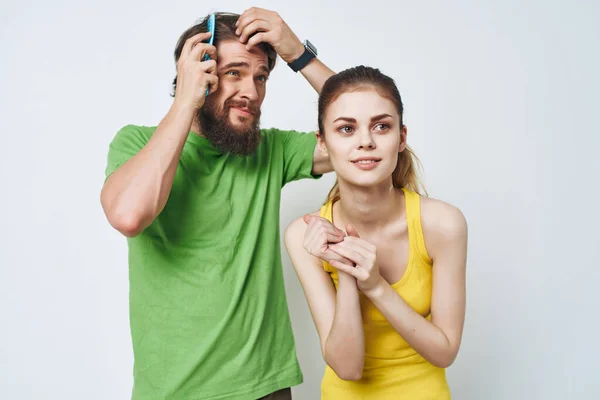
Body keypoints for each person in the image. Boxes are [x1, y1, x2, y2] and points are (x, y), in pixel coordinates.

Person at [100, 8, 335, 400]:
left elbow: (374, 134)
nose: (252, 91)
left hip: (266, 388)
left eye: (261, 77)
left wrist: (299, 54)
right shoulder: (136, 143)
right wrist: (185, 103)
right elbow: (128, 215)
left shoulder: (269, 149)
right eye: (234, 73)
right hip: (176, 392)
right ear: (198, 75)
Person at [284, 66, 468, 399]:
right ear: (323, 144)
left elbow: (445, 352)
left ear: (401, 138)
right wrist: (349, 272)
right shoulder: (304, 235)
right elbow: (348, 368)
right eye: (346, 129)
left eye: (381, 126)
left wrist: (377, 285)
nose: (366, 141)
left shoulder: (443, 224)